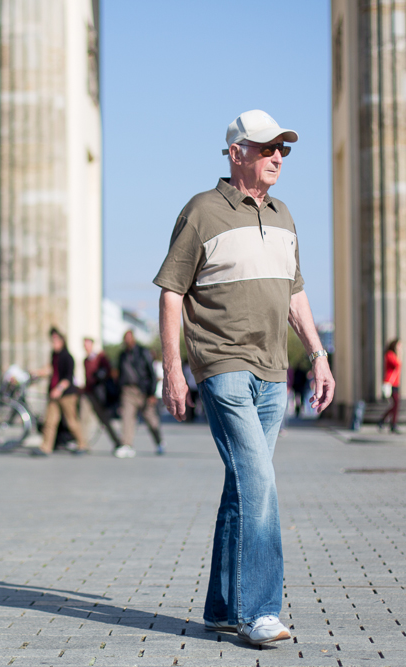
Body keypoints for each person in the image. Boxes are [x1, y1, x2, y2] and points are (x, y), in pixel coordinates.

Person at [155, 110, 334, 647]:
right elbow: (171, 291)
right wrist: (174, 369)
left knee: (242, 488)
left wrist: (319, 356)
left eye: (284, 148)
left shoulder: (283, 215)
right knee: (260, 483)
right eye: (267, 147)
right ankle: (260, 610)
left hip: (274, 373)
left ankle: (220, 608)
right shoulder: (202, 212)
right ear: (236, 153)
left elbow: (294, 293)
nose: (278, 156)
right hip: (223, 366)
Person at [31, 328, 87, 456]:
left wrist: (58, 389)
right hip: (54, 394)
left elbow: (68, 378)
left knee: (71, 421)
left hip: (67, 395)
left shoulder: (68, 357)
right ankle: (46, 447)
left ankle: (82, 444)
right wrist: (37, 372)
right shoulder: (54, 355)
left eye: (56, 340)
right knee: (50, 421)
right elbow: (50, 369)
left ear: (62, 341)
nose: (53, 343)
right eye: (52, 341)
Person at [115, 330, 162, 458]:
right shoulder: (122, 355)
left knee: (151, 419)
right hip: (127, 391)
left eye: (129, 337)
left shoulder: (142, 352)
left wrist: (152, 393)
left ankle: (159, 441)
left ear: (133, 339)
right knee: (127, 417)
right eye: (125, 338)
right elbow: (119, 373)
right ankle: (126, 445)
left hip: (142, 391)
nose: (127, 340)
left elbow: (151, 373)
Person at [82, 337, 120, 449]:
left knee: (105, 420)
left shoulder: (100, 358)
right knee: (84, 417)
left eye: (88, 344)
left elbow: (108, 372)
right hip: (88, 392)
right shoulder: (85, 360)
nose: (86, 347)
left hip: (98, 394)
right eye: (84, 345)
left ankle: (117, 442)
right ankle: (83, 443)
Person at [377, 339, 402, 433]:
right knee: (395, 404)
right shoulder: (390, 354)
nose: (400, 347)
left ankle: (384, 421)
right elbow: (397, 364)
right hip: (390, 382)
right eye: (399, 345)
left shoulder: (393, 354)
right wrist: (399, 354)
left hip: (395, 382)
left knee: (395, 404)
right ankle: (392, 424)